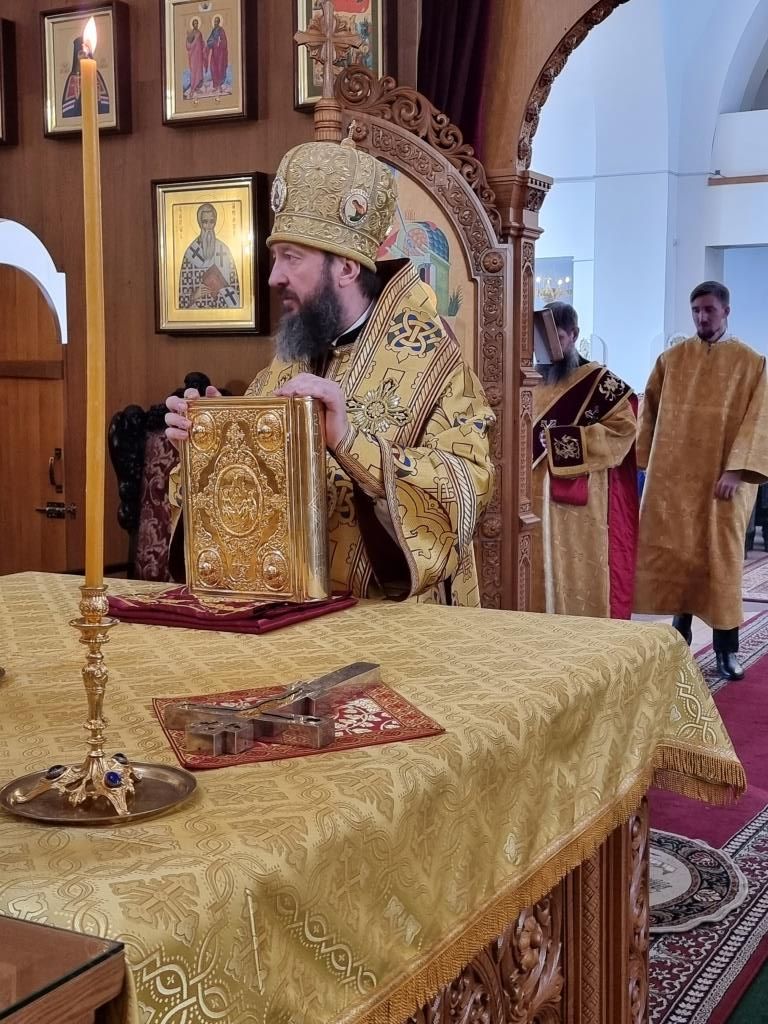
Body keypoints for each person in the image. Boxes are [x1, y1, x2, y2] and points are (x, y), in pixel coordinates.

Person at [165, 136, 494, 605]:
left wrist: (349, 443)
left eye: (292, 258)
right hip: (285, 615)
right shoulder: (288, 360)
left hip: (393, 625)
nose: (273, 276)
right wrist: (212, 446)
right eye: (275, 257)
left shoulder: (433, 362)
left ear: (346, 268)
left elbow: (467, 489)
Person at [635, 281, 768, 680]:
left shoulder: (751, 363)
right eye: (696, 310)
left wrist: (736, 470)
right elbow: (648, 412)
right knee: (680, 555)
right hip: (674, 480)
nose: (702, 317)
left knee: (721, 560)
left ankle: (727, 649)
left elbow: (759, 421)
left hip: (724, 484)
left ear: (726, 310)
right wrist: (646, 464)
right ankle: (680, 637)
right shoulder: (672, 359)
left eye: (709, 309)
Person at [531, 301, 638, 618]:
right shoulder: (528, 381)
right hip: (530, 500)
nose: (549, 352)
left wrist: (561, 441)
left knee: (574, 573)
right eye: (542, 343)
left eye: (558, 339)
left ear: (574, 334)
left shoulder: (600, 383)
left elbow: (624, 430)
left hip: (576, 503)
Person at [178, 203, 241, 309]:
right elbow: (182, 296)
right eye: (204, 222)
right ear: (199, 223)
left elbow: (235, 288)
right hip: (197, 311)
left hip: (222, 308)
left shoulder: (224, 250)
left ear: (215, 223)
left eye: (211, 221)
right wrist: (194, 296)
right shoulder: (191, 252)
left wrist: (223, 290)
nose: (208, 226)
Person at [206, 16, 229, 93]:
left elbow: (224, 41)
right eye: (214, 21)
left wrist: (220, 42)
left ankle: (219, 86)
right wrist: (212, 42)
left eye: (216, 21)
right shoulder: (213, 30)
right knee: (213, 68)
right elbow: (209, 40)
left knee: (220, 68)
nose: (215, 23)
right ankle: (215, 85)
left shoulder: (221, 30)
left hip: (220, 53)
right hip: (214, 53)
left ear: (219, 22)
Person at [185, 18, 205, 98]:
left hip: (199, 56)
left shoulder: (199, 33)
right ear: (193, 24)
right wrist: (189, 41)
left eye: (197, 23)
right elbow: (188, 45)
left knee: (199, 71)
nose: (196, 25)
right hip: (193, 56)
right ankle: (192, 89)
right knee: (194, 71)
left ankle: (196, 88)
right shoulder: (191, 34)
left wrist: (203, 44)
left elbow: (201, 42)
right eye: (195, 23)